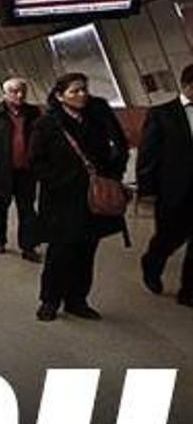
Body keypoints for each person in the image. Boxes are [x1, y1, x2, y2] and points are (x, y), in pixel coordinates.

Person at [29, 73, 130, 321]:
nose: (82, 95)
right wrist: (59, 181)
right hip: (62, 198)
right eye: (75, 91)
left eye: (84, 89)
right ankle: (50, 300)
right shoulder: (47, 123)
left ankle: (77, 300)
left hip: (93, 197)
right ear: (60, 95)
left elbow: (120, 146)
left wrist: (112, 175)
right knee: (60, 251)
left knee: (86, 250)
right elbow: (36, 161)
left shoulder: (98, 116)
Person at [138, 63, 193, 307]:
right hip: (173, 190)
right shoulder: (162, 113)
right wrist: (147, 190)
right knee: (168, 237)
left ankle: (188, 291)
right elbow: (148, 154)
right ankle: (152, 263)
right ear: (187, 85)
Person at [0, 77, 43, 261]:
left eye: (22, 91)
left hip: (26, 171)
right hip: (1, 171)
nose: (19, 95)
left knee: (27, 210)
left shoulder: (34, 113)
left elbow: (41, 138)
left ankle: (28, 247)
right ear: (4, 94)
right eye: (14, 91)